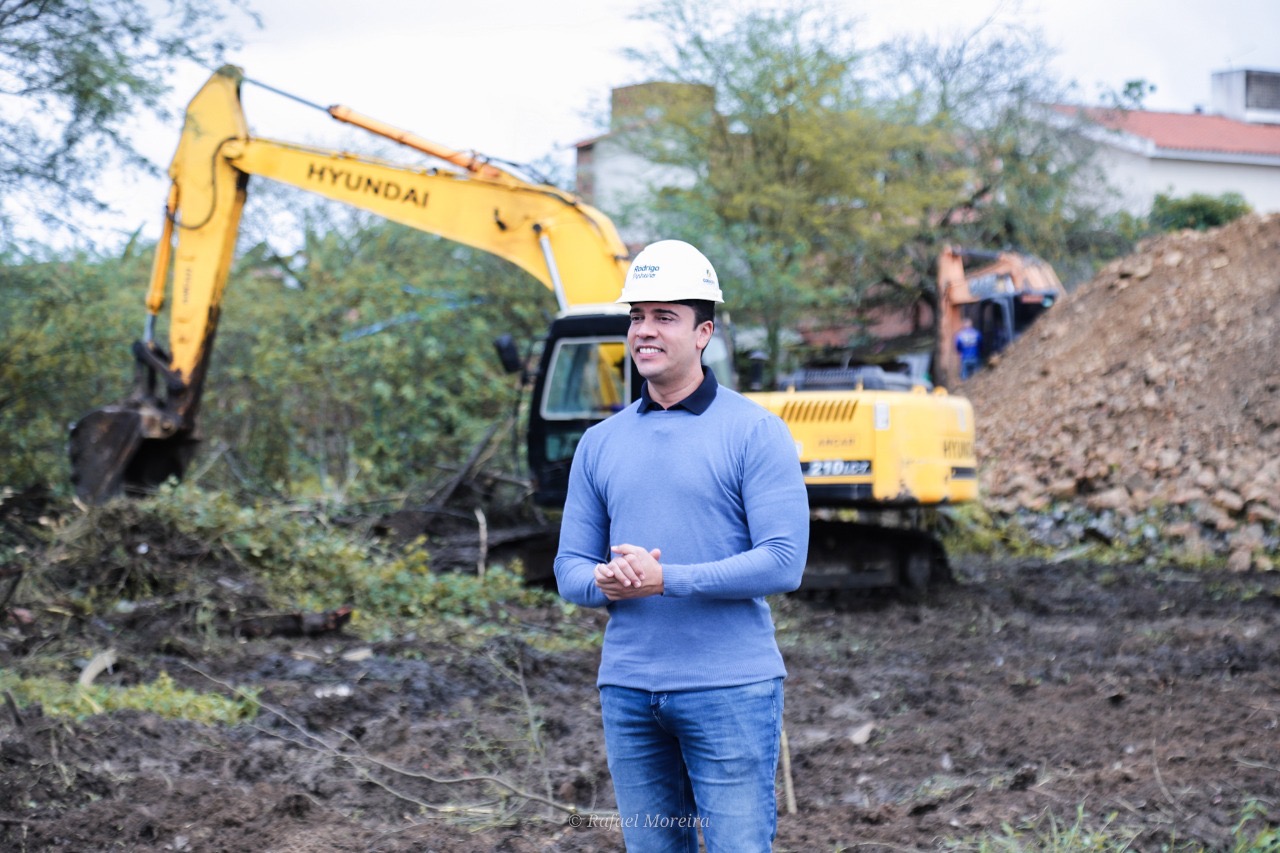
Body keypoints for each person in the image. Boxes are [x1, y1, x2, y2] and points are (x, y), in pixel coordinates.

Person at [554, 239, 809, 852]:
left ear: (703, 333)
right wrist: (606, 581)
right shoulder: (599, 443)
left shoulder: (755, 432)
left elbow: (783, 561)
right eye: (637, 316)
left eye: (664, 316)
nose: (644, 330)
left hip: (731, 691)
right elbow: (568, 568)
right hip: (629, 691)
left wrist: (667, 580)